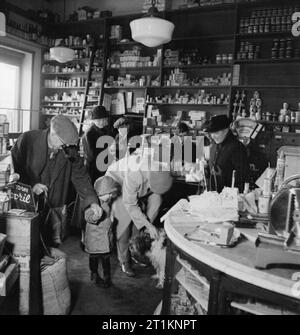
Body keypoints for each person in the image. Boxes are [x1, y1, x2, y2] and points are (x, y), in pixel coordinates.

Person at [11, 114, 103, 247]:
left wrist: (92, 201)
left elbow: (80, 176)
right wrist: (31, 186)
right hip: (26, 205)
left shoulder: (69, 148)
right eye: (64, 144)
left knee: (50, 245)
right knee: (25, 246)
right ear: (53, 134)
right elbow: (14, 170)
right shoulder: (27, 140)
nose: (66, 148)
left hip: (54, 206)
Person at [105, 145, 173, 277]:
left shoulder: (162, 169)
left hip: (144, 183)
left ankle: (135, 248)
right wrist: (148, 225)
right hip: (117, 182)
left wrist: (147, 225)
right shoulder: (136, 174)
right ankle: (124, 260)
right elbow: (130, 204)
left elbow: (156, 196)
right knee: (124, 222)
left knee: (156, 201)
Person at [85, 176, 120, 288]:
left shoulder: (106, 202)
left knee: (106, 259)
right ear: (100, 193)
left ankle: (107, 277)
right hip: (95, 238)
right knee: (94, 258)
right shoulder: (93, 204)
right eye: (108, 193)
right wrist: (94, 217)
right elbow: (88, 215)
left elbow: (108, 212)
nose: (110, 196)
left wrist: (111, 218)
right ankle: (94, 274)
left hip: (104, 238)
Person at [204, 114, 250, 193]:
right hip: (212, 194)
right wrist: (206, 169)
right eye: (211, 133)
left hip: (228, 198)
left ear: (226, 131)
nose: (212, 136)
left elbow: (243, 176)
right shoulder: (214, 144)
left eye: (216, 133)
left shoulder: (237, 147)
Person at [82, 106, 112, 183]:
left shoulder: (104, 129)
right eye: (99, 120)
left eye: (103, 119)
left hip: (103, 166)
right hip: (93, 169)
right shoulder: (89, 133)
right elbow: (92, 156)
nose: (101, 122)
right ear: (94, 120)